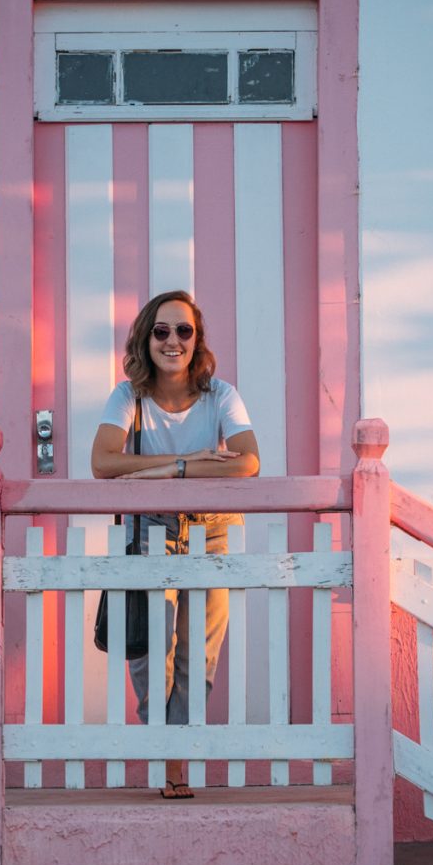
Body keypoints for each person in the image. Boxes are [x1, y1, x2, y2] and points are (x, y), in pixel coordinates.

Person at [91, 290, 260, 798]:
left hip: (211, 528)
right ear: (146, 338)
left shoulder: (220, 395)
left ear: (196, 339)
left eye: (183, 331)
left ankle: (175, 765)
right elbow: (102, 462)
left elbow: (249, 462)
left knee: (197, 654)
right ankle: (166, 753)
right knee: (149, 651)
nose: (173, 341)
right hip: (150, 530)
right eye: (161, 331)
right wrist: (187, 464)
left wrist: (175, 468)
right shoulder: (129, 396)